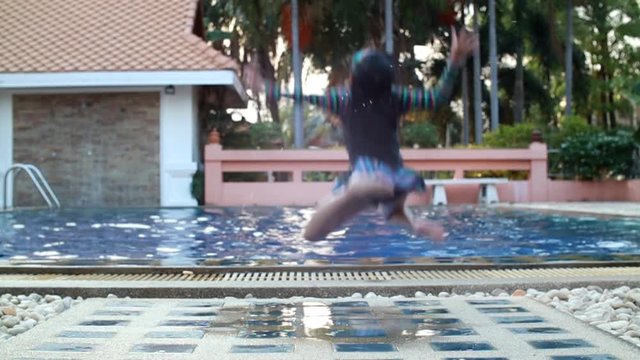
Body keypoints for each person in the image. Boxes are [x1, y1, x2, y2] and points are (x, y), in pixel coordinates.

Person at [244, 27, 478, 242]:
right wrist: (455, 61)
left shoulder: (344, 99)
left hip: (365, 174)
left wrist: (265, 86)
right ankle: (415, 225)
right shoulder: (395, 97)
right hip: (396, 177)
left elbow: (300, 95)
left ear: (353, 79)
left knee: (312, 233)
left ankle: (354, 193)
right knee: (395, 214)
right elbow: (437, 98)